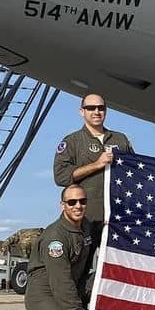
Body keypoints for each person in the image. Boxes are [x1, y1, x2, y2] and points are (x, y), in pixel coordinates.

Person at [11, 186, 95, 310]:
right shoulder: (56, 238)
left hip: (72, 285)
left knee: (104, 280)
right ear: (62, 205)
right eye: (72, 202)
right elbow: (60, 282)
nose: (78, 206)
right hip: (45, 292)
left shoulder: (86, 227)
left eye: (82, 201)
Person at [52, 93, 133, 254]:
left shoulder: (120, 139)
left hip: (117, 218)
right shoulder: (72, 141)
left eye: (101, 108)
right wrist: (97, 164)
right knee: (82, 267)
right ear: (82, 111)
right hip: (87, 218)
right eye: (91, 108)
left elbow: (135, 173)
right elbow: (60, 176)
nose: (96, 112)